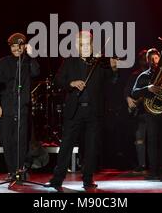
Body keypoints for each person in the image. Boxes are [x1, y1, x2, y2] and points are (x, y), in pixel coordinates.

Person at [46, 31, 119, 191]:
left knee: (91, 147)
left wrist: (114, 69)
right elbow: (58, 80)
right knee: (66, 146)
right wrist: (71, 83)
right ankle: (57, 179)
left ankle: (88, 180)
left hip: (94, 111)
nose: (85, 47)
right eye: (82, 45)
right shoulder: (70, 61)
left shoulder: (99, 62)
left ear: (92, 45)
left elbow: (112, 81)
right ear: (77, 47)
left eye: (88, 44)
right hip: (75, 110)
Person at [0, 33, 40, 179]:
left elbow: (36, 72)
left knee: (20, 141)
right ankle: (12, 171)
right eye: (13, 46)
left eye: (19, 46)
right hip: (5, 106)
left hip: (22, 107)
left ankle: (20, 170)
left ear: (24, 46)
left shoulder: (28, 62)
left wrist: (32, 56)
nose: (16, 49)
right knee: (7, 141)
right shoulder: (3, 62)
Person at [132, 48, 162, 181]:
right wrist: (148, 88)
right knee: (152, 142)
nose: (154, 60)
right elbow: (134, 92)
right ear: (147, 60)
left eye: (156, 58)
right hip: (151, 114)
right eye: (151, 58)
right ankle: (153, 171)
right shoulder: (144, 76)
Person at [123, 49, 149, 172]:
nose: (146, 61)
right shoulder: (135, 75)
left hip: (153, 112)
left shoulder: (155, 74)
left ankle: (155, 164)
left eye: (147, 58)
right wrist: (129, 99)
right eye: (143, 58)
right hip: (141, 112)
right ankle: (142, 164)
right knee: (139, 138)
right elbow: (127, 90)